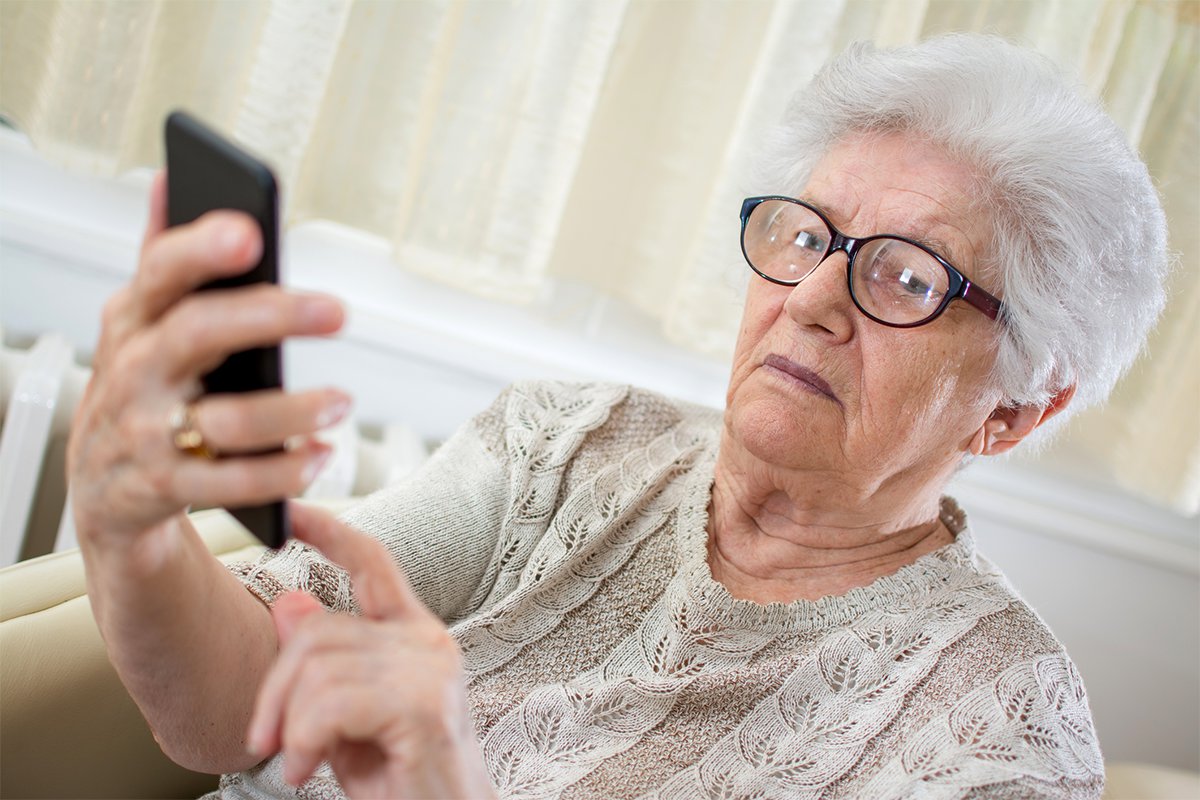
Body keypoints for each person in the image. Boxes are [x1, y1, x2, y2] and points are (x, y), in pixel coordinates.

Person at [67, 33, 1168, 800]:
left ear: (1014, 412)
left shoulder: (997, 738)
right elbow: (229, 706)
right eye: (805, 235)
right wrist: (131, 529)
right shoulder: (568, 445)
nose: (813, 298)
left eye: (908, 277)